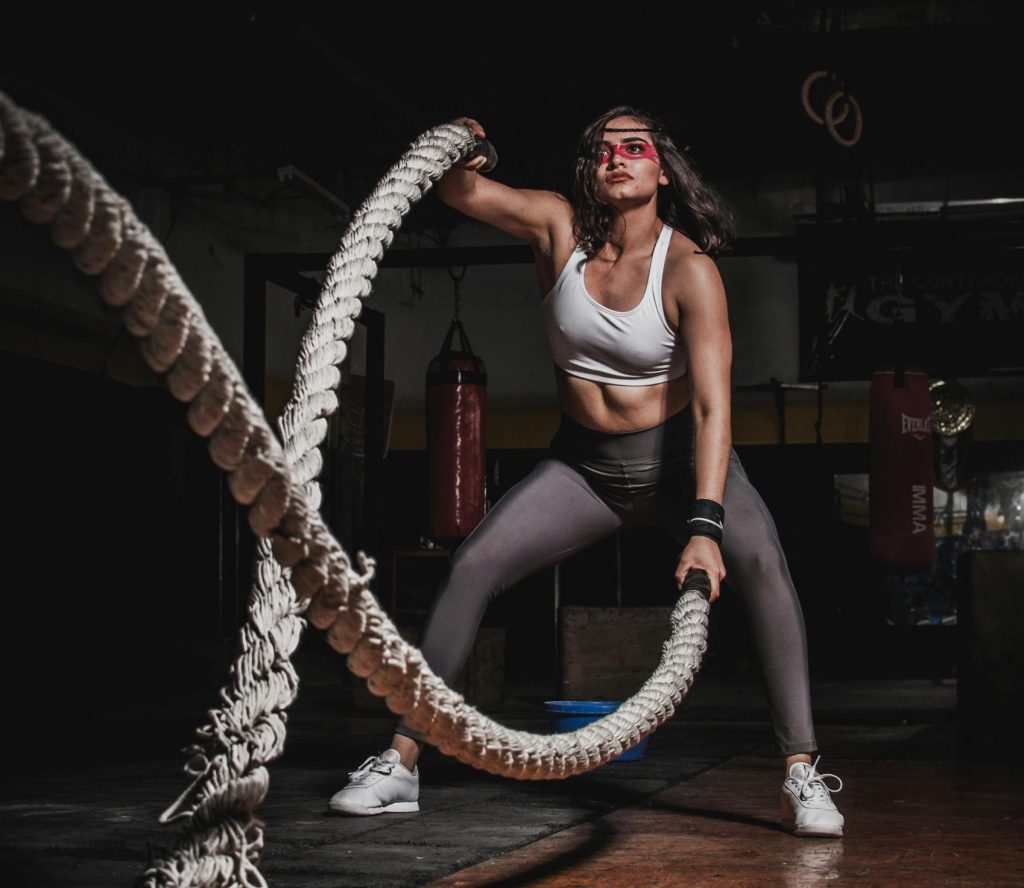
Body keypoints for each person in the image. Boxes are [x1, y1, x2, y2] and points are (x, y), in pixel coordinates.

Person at [328, 106, 844, 837]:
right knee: (473, 562)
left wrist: (704, 526)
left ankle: (802, 773)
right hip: (585, 469)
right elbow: (457, 194)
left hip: (679, 462)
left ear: (662, 168)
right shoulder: (557, 228)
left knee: (760, 558)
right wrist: (471, 142)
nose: (617, 157)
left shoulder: (690, 270)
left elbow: (712, 411)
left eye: (634, 146)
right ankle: (402, 762)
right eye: (602, 149)